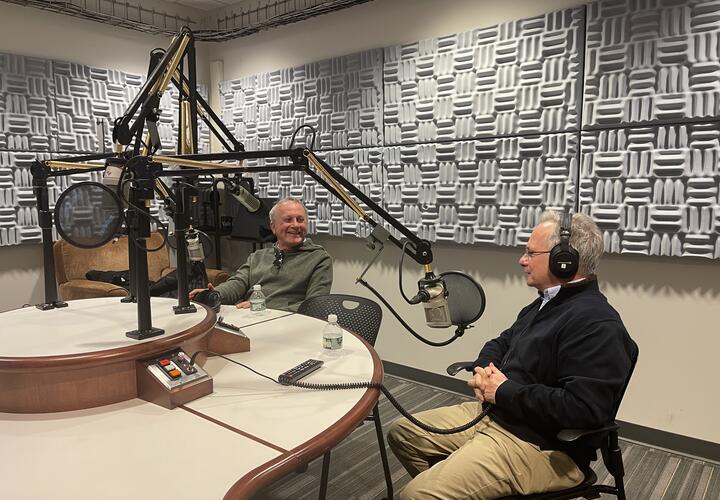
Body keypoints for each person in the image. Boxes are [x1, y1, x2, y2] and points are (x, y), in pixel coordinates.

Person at [387, 210, 636, 499]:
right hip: (500, 416)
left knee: (415, 495)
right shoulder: (546, 304)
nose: (522, 260)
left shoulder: (596, 324)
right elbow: (502, 342)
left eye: (531, 253)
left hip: (542, 446)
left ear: (564, 260)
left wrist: (503, 391)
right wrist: (484, 370)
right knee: (402, 433)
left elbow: (584, 410)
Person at [190, 197, 332, 312]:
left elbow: (315, 305)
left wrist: (263, 307)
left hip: (289, 325)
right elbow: (237, 284)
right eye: (288, 220)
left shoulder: (319, 259)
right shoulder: (258, 256)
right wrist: (215, 294)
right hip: (250, 319)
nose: (295, 225)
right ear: (273, 227)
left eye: (300, 220)